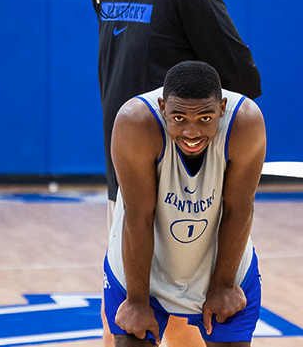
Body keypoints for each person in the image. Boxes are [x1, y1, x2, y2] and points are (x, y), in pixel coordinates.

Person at [75, 0, 262, 345]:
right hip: (125, 170)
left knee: (182, 315)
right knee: (123, 309)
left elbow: (243, 82)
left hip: (183, 180)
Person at [104, 61, 265, 346]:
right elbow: (138, 215)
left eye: (205, 118)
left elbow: (239, 209)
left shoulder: (245, 121)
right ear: (163, 107)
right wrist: (137, 301)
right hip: (143, 268)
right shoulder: (135, 122)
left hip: (220, 262)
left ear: (223, 108)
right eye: (179, 118)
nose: (191, 132)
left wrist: (224, 284)